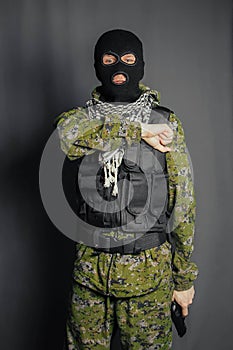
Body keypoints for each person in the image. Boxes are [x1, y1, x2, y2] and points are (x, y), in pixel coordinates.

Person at [55, 29, 198, 350]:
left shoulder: (165, 123)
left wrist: (183, 278)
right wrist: (137, 131)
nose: (119, 69)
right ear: (97, 65)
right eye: (109, 61)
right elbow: (66, 137)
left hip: (148, 273)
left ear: (141, 65)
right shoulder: (81, 121)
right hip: (90, 273)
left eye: (129, 61)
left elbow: (182, 202)